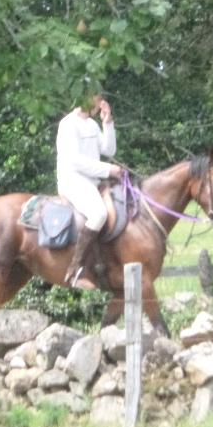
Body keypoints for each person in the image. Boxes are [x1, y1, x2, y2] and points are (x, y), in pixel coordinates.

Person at [56, 92, 124, 288]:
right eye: (97, 98)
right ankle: (74, 270)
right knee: (98, 214)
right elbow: (75, 161)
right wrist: (108, 169)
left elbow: (109, 150)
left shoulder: (92, 125)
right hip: (73, 181)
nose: (100, 102)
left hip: (92, 182)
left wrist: (108, 122)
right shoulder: (68, 124)